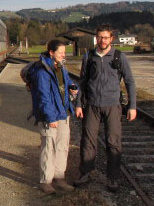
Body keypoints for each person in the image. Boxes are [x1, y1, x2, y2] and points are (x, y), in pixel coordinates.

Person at [75, 24, 137, 192]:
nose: (102, 40)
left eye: (106, 37)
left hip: (113, 105)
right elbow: (82, 82)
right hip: (92, 105)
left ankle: (113, 178)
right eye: (100, 37)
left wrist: (132, 106)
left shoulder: (118, 57)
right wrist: (79, 104)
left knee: (113, 142)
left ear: (111, 39)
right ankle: (86, 173)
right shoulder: (89, 57)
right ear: (97, 38)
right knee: (87, 141)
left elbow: (129, 81)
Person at [28, 39, 77, 194]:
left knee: (62, 146)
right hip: (51, 116)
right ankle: (45, 181)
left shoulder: (60, 66)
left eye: (64, 52)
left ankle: (59, 177)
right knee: (49, 147)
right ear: (51, 52)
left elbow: (67, 81)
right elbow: (43, 96)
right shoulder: (42, 71)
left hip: (63, 112)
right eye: (61, 52)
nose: (64, 55)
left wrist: (73, 87)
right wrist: (51, 117)